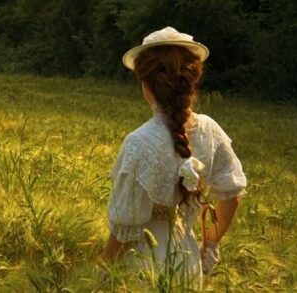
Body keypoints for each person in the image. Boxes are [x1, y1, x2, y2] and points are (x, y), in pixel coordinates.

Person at [98, 27, 247, 289]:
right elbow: (232, 193)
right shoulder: (210, 129)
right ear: (192, 81)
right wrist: (210, 242)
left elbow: (124, 230)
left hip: (142, 267)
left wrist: (99, 276)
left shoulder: (138, 143)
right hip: (187, 260)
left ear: (146, 85)